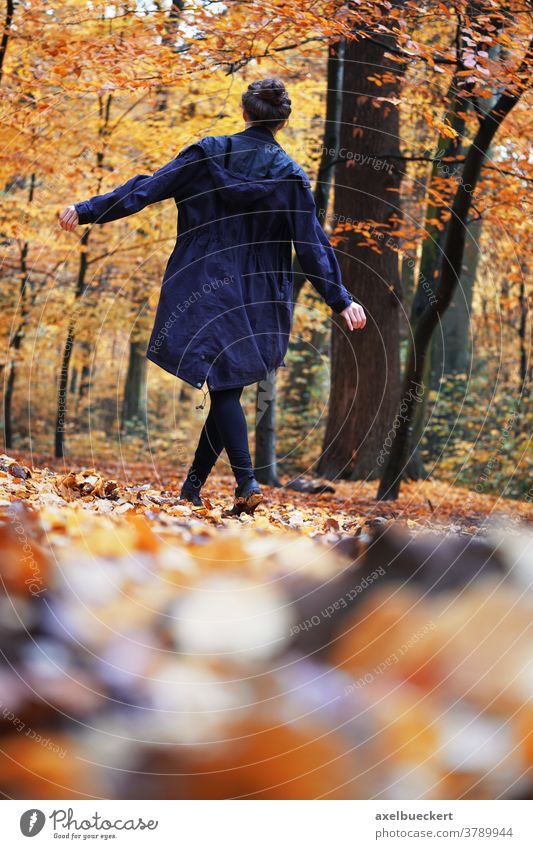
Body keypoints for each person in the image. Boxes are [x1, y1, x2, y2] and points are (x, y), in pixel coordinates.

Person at [59, 78, 366, 515]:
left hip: (200, 281)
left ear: (245, 112)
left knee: (228, 386)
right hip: (256, 293)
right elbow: (312, 246)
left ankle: (193, 488)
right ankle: (245, 481)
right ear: (282, 122)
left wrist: (88, 209)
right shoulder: (292, 178)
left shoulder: (205, 155)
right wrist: (340, 299)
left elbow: (146, 189)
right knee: (227, 383)